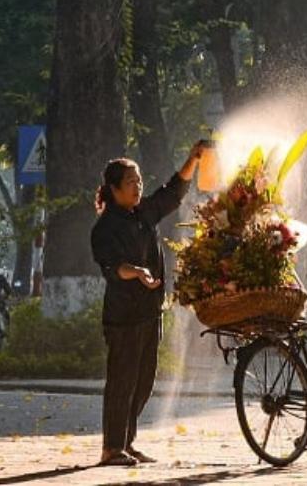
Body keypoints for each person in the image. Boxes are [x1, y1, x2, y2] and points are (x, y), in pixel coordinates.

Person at [90, 141, 209, 467]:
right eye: (131, 182)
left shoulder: (143, 213)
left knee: (142, 384)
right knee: (121, 383)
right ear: (113, 189)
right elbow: (112, 267)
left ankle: (126, 443)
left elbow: (172, 193)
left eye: (139, 180)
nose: (138, 186)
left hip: (148, 312)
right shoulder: (105, 227)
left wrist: (193, 159)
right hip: (123, 317)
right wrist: (137, 272)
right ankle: (111, 449)